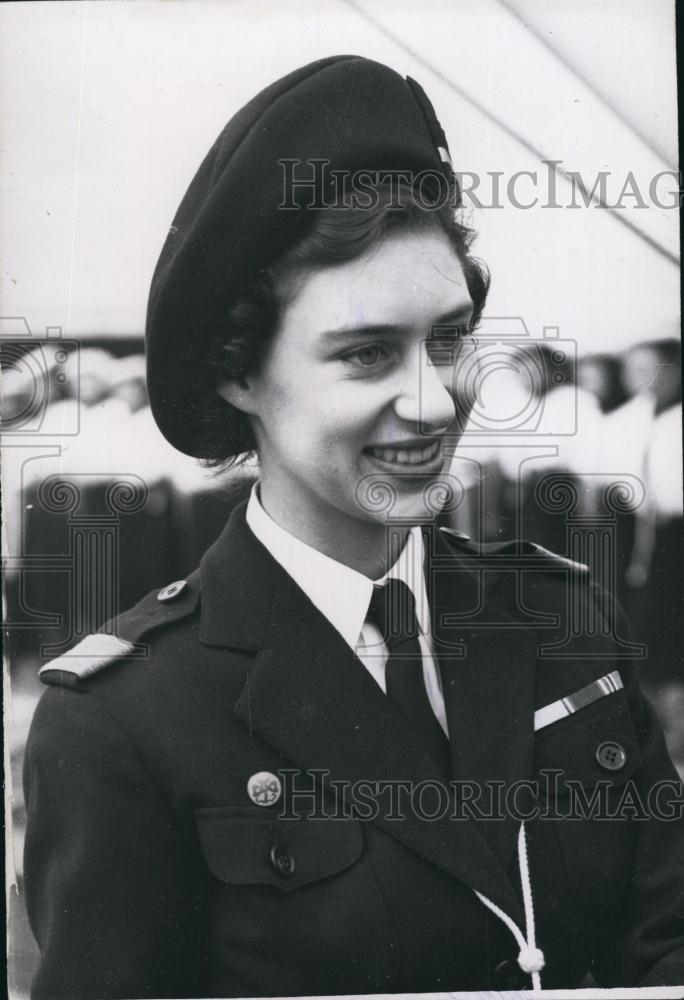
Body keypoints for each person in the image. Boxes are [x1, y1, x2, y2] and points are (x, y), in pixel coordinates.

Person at [22, 55, 684, 998]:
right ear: (237, 373)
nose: (432, 401)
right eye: (368, 353)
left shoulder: (564, 624)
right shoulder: (123, 723)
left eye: (449, 341)